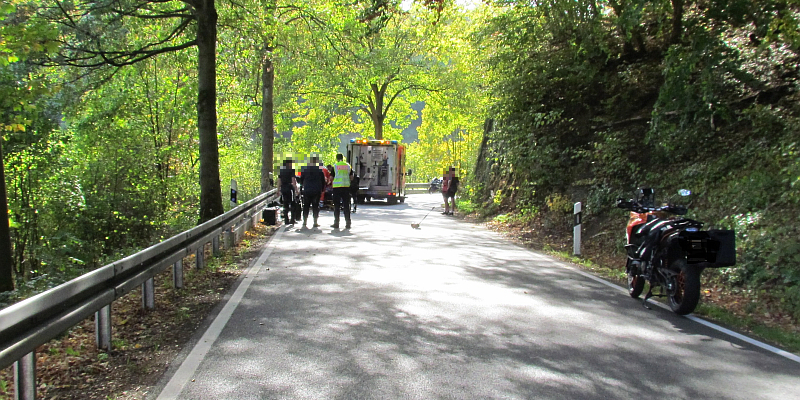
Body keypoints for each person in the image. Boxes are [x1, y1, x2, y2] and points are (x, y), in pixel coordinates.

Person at [300, 156, 326, 228]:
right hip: (316, 190)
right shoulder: (319, 170)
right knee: (315, 206)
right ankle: (315, 222)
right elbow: (323, 180)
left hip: (307, 190)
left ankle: (305, 222)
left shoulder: (305, 169)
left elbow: (301, 179)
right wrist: (322, 189)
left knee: (306, 206)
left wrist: (302, 187)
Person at [331, 153, 352, 229]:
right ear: (343, 158)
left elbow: (331, 178)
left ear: (337, 158)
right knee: (346, 206)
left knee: (337, 206)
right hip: (346, 187)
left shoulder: (335, 166)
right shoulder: (348, 166)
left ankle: (336, 223)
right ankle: (348, 223)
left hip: (337, 188)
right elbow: (351, 177)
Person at [277, 158, 299, 224]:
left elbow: (279, 180)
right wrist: (296, 189)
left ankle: (286, 219)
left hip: (283, 188)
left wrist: (278, 189)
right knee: (292, 203)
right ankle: (292, 219)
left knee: (285, 203)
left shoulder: (281, 170)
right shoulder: (291, 169)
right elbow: (293, 180)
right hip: (290, 187)